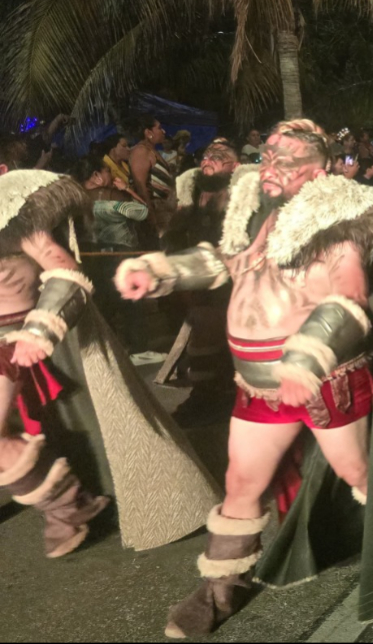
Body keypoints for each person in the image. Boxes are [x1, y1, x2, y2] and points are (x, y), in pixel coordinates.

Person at [116, 118, 373, 637]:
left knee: (363, 475)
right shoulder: (255, 213)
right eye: (267, 156)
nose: (270, 167)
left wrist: (307, 356)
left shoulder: (342, 217)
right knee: (241, 483)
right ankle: (223, 587)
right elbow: (228, 262)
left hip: (325, 381)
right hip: (258, 384)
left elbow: (350, 299)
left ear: (320, 169)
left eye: (286, 161)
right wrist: (163, 271)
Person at [0, 157, 217, 561]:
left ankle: (70, 506)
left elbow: (62, 269)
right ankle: (69, 505)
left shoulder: (11, 203)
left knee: (99, 424)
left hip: (38, 334)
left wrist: (40, 328)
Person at [162, 139, 254, 424]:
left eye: (218, 156)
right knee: (202, 333)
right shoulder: (192, 195)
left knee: (222, 336)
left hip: (234, 280)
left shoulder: (244, 197)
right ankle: (205, 393)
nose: (208, 159)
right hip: (196, 278)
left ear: (235, 166)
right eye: (205, 154)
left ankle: (222, 395)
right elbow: (175, 234)